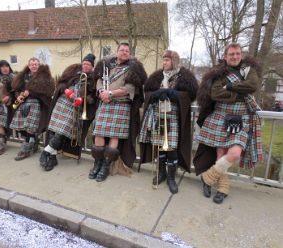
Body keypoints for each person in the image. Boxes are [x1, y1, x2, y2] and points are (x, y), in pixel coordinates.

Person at [194, 43, 263, 204]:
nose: (235, 56)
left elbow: (253, 85)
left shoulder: (249, 71)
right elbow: (216, 93)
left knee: (234, 154)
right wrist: (240, 93)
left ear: (241, 55)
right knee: (220, 154)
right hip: (220, 115)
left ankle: (208, 177)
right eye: (231, 54)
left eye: (238, 53)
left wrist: (230, 86)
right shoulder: (217, 73)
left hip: (241, 116)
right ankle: (223, 188)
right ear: (225, 56)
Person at [138, 50, 198, 194]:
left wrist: (173, 93)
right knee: (159, 146)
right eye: (163, 59)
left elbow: (190, 94)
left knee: (171, 148)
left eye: (167, 60)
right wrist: (155, 94)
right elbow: (147, 93)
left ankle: (171, 178)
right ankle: (161, 173)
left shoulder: (184, 77)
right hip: (158, 115)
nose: (164, 62)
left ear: (174, 61)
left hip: (174, 115)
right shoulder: (157, 77)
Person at [89, 42, 147, 182]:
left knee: (114, 136)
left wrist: (110, 94)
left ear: (130, 53)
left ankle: (106, 166)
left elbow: (129, 88)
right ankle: (98, 163)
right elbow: (99, 80)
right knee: (99, 133)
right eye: (122, 50)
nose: (124, 52)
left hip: (121, 105)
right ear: (117, 51)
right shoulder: (106, 65)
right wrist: (101, 91)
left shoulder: (134, 69)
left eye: (127, 51)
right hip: (105, 103)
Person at [39, 54, 97, 171]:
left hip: (75, 107)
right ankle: (52, 157)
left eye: (88, 64)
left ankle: (46, 152)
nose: (85, 66)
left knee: (61, 131)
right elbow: (60, 83)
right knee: (54, 130)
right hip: (62, 102)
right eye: (84, 63)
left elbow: (93, 97)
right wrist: (66, 90)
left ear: (92, 67)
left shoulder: (94, 78)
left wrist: (83, 99)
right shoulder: (73, 71)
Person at [10, 57, 55, 161]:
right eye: (32, 64)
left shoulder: (45, 77)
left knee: (30, 128)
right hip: (23, 104)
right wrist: (18, 96)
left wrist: (31, 92)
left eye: (36, 64)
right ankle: (33, 144)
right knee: (23, 127)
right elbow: (16, 89)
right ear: (29, 66)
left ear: (39, 66)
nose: (34, 66)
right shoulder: (23, 76)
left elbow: (48, 92)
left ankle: (25, 150)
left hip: (36, 105)